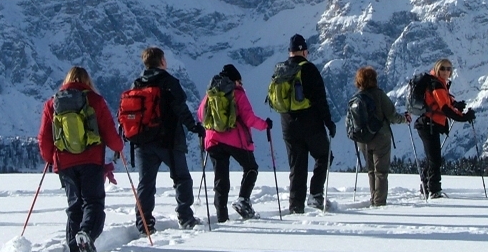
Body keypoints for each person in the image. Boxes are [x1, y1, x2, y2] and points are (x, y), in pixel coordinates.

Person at [37, 66, 124, 252]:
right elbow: (109, 132)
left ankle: (74, 248)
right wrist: (119, 146)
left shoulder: (52, 103)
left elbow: (44, 138)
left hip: (64, 163)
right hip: (91, 160)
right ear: (87, 81)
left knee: (74, 204)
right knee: (92, 202)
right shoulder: (94, 100)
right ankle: (86, 235)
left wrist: (51, 158)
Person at [131, 47, 206, 233]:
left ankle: (144, 223)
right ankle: (185, 216)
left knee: (146, 183)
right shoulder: (169, 81)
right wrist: (194, 127)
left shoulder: (137, 83)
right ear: (162, 61)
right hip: (169, 140)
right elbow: (180, 108)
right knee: (181, 178)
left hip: (143, 142)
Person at [197, 64, 272, 222]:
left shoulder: (210, 94)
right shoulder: (237, 94)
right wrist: (265, 125)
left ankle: (221, 217)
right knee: (251, 168)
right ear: (235, 80)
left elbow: (200, 115)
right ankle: (243, 200)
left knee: (221, 179)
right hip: (235, 140)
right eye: (240, 81)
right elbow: (249, 119)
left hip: (213, 141)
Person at [277, 34, 337, 213]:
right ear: (303, 51)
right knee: (324, 156)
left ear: (290, 52)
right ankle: (316, 195)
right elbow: (320, 99)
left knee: (297, 166)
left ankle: (295, 206)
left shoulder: (280, 71)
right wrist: (328, 123)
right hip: (310, 124)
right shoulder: (308, 69)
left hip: (287, 125)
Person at [414, 58, 476, 199]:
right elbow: (445, 108)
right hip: (429, 125)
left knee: (432, 158)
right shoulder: (437, 84)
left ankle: (425, 188)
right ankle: (434, 191)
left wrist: (456, 105)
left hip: (428, 124)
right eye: (443, 68)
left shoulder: (437, 83)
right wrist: (464, 117)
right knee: (435, 159)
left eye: (448, 69)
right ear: (437, 69)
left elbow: (445, 101)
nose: (446, 71)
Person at [352, 66, 411, 207]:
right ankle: (379, 203)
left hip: (362, 139)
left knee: (371, 171)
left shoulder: (356, 98)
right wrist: (404, 119)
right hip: (380, 137)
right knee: (381, 172)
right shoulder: (379, 94)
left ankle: (374, 198)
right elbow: (391, 115)